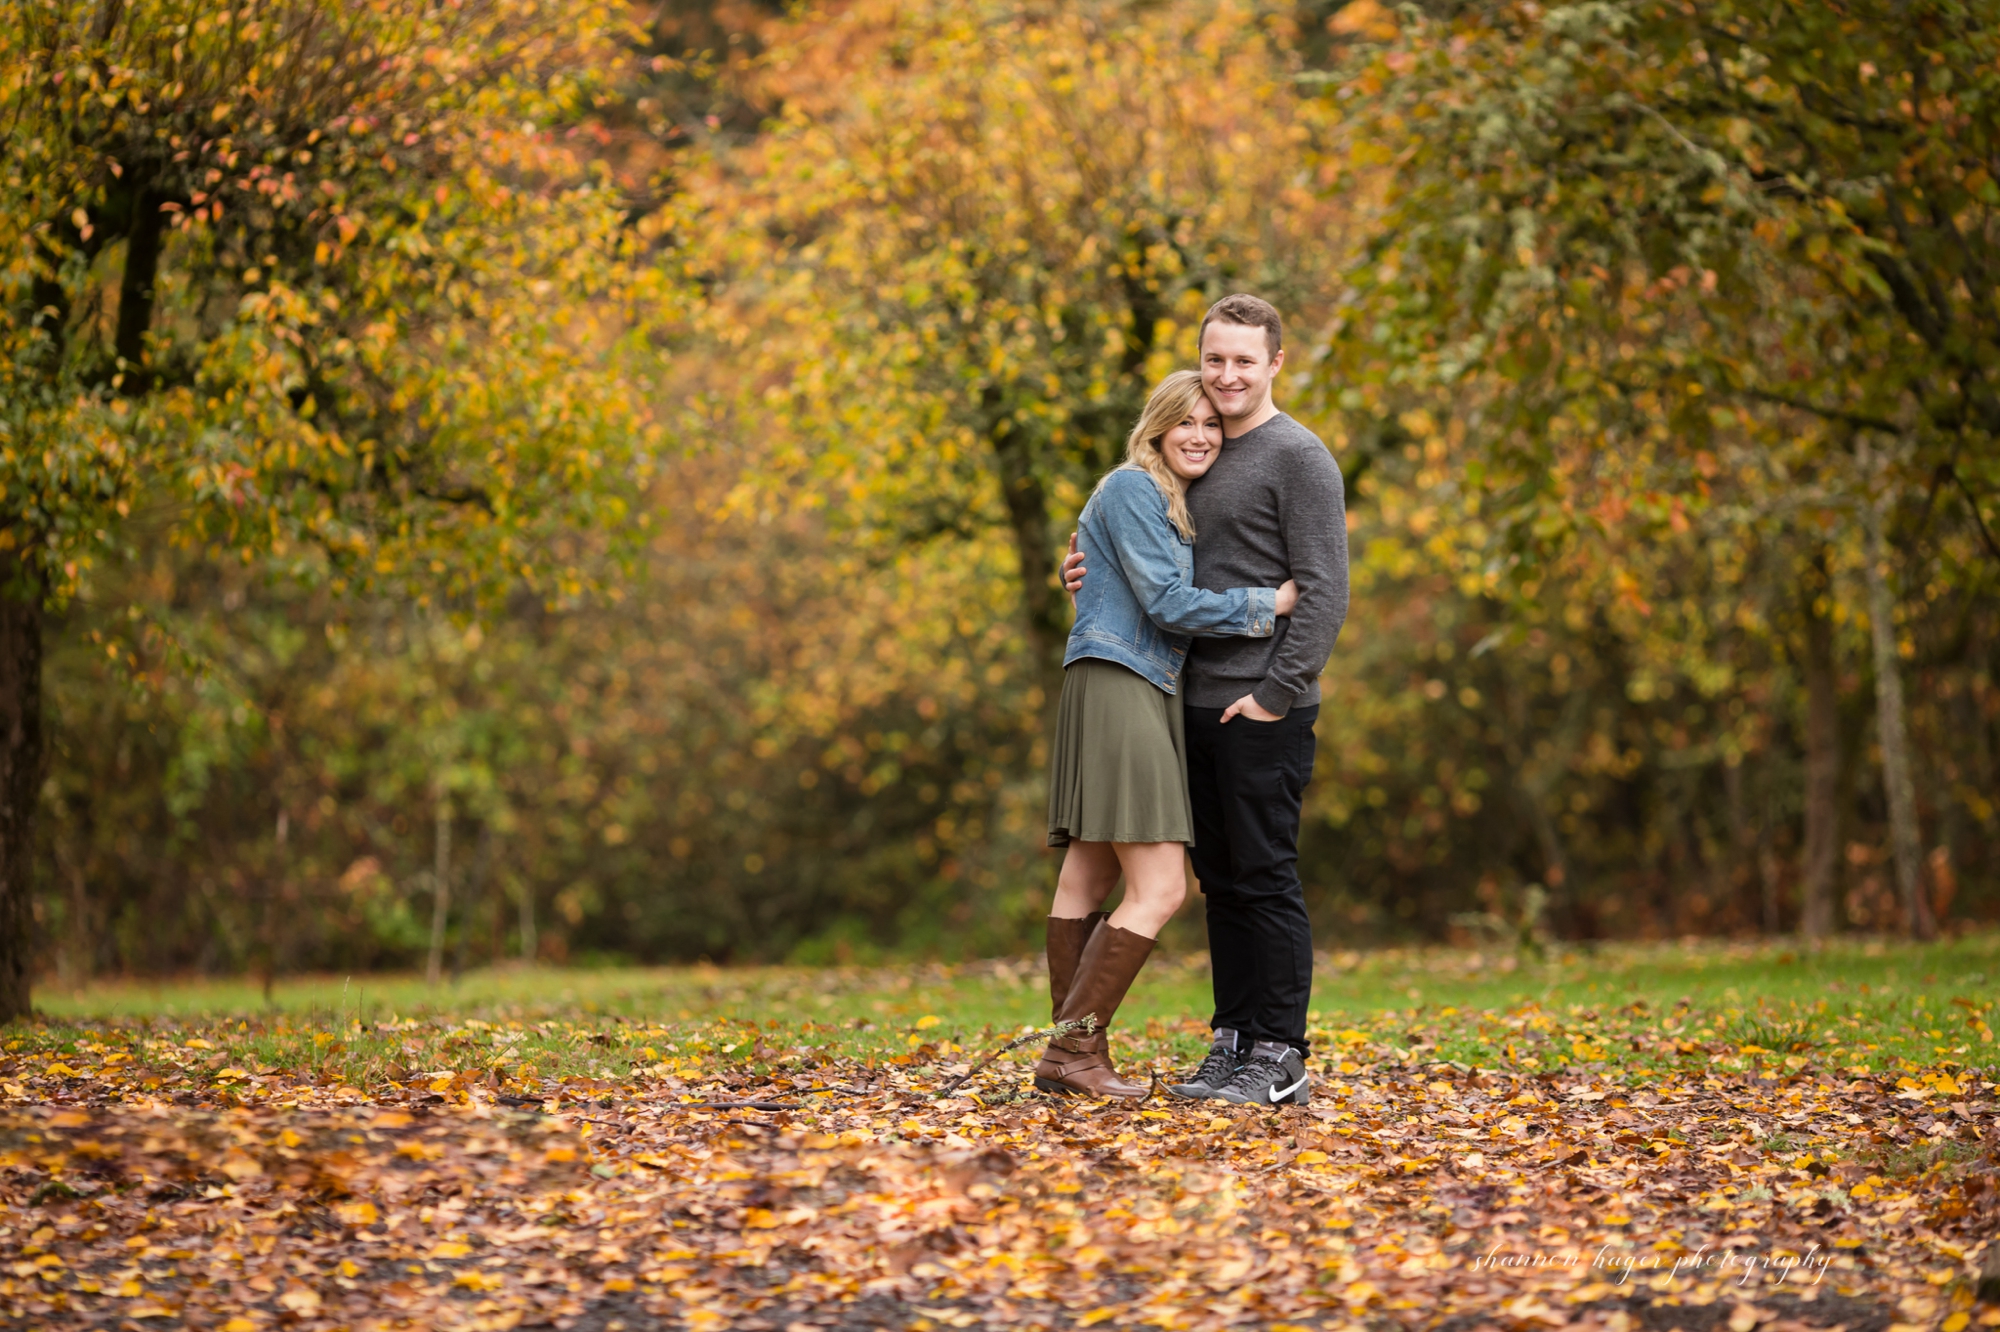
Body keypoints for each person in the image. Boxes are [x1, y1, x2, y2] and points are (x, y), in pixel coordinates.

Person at [1062, 294, 1347, 1107]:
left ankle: (1280, 1051)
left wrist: (1275, 694)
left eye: (1244, 361)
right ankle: (1231, 1040)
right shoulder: (1197, 445)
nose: (1227, 376)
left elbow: (1325, 593)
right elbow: (1141, 550)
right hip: (1184, 704)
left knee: (1265, 877)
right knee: (1220, 881)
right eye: (1215, 359)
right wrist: (1078, 570)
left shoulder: (1301, 457)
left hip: (1263, 707)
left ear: (1275, 364)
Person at [1036, 370, 1299, 1099]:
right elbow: (1168, 601)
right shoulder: (1132, 487)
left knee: (1088, 874)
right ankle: (1073, 1050)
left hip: (1126, 681)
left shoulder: (1162, 499)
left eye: (1212, 425)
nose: (1200, 435)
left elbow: (1122, 584)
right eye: (1185, 422)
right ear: (1156, 427)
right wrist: (1268, 603)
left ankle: (1072, 1056)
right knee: (1162, 887)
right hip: (1122, 683)